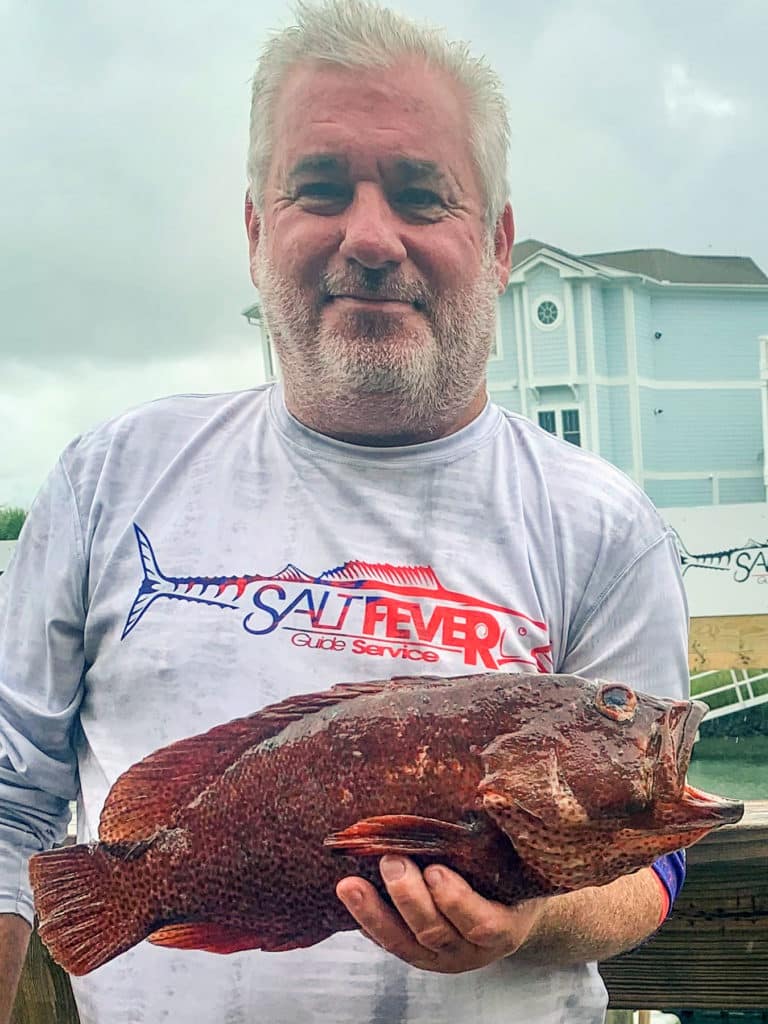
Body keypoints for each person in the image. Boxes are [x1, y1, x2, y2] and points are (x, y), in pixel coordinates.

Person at [0, 1, 690, 1022]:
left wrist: (532, 915)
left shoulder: (604, 522)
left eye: (423, 195)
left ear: (498, 244)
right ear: (253, 230)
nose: (371, 238)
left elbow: (654, 860)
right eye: (320, 189)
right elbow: (11, 808)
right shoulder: (108, 476)